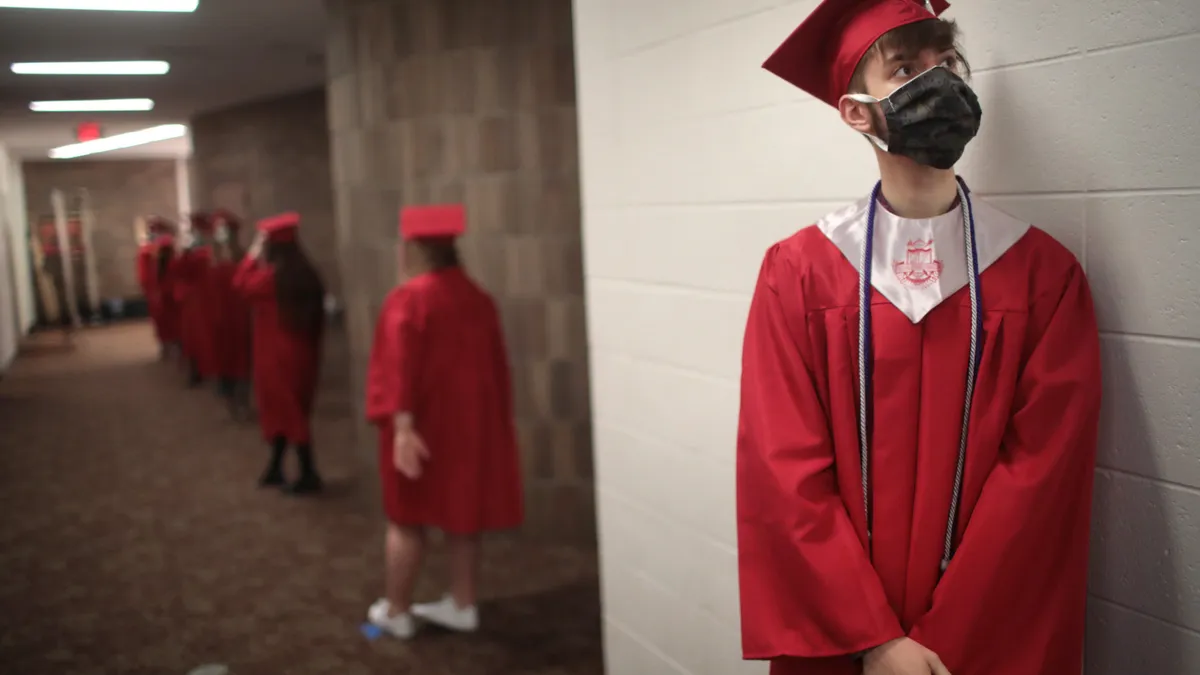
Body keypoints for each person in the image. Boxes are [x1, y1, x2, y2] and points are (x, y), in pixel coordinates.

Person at [736, 2, 1102, 675]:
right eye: (906, 68)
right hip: (846, 643)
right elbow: (782, 471)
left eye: (948, 64)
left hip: (984, 641)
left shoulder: (1042, 275)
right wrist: (874, 639)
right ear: (856, 112)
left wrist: (938, 643)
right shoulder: (799, 274)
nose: (942, 84)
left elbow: (1041, 480)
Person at [362, 204, 523, 639]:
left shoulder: (409, 298)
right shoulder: (478, 298)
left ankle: (396, 611)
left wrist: (401, 427)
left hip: (421, 429)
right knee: (462, 514)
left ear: (411, 248)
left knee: (406, 518)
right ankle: (462, 602)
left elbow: (398, 367)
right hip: (469, 429)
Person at [232, 212, 326, 494]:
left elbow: (238, 284)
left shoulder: (271, 278)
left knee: (288, 412)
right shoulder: (306, 273)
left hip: (277, 356)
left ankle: (309, 472)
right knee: (289, 410)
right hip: (301, 354)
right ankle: (275, 467)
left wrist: (251, 254)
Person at [209, 209, 254, 420]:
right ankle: (230, 402)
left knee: (243, 362)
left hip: (240, 318)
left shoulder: (242, 257)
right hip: (219, 319)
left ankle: (243, 402)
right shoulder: (211, 260)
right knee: (225, 362)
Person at [173, 213, 222, 387]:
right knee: (195, 338)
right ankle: (200, 371)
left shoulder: (208, 248)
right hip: (196, 299)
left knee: (204, 337)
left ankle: (207, 371)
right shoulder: (198, 249)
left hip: (204, 299)